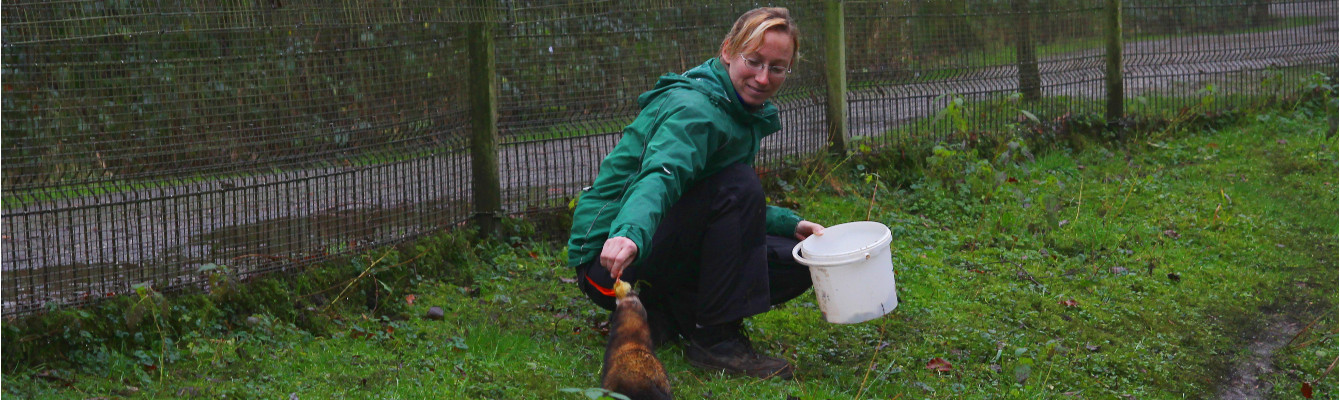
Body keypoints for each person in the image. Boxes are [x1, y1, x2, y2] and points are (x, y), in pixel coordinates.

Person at [567, 7, 824, 380]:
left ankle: (666, 313)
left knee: (800, 259)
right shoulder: (697, 110)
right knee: (740, 185)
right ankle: (715, 343)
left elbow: (709, 200)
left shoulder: (736, 106)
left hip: (652, 242)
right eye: (753, 61)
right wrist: (628, 233)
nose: (763, 77)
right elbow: (662, 176)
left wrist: (790, 223)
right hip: (609, 266)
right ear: (727, 52)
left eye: (777, 67)